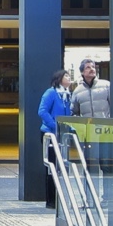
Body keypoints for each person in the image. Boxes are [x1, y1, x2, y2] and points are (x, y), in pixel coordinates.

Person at [38, 70, 74, 207]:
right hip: (50, 134)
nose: (69, 78)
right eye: (66, 76)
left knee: (61, 167)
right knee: (51, 166)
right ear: (58, 79)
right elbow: (42, 111)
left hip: (62, 135)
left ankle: (60, 199)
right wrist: (55, 126)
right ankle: (51, 200)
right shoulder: (51, 93)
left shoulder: (67, 95)